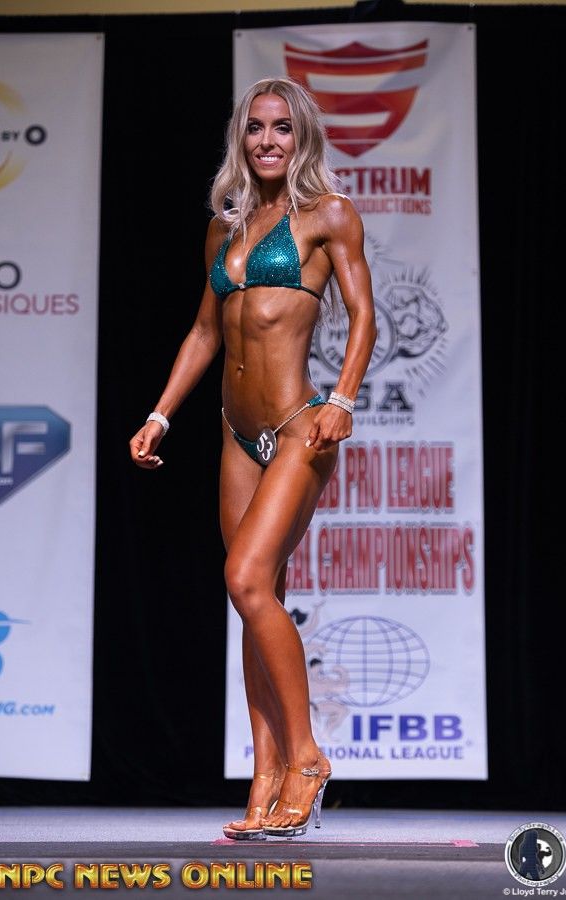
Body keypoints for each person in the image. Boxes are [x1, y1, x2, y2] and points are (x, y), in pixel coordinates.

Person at [129, 76, 376, 840]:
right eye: (256, 128)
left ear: (302, 138)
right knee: (252, 596)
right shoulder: (223, 229)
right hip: (236, 434)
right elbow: (206, 333)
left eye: (283, 128)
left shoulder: (330, 215)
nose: (268, 141)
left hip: (300, 428)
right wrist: (160, 415)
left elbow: (365, 315)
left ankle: (306, 758)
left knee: (245, 578)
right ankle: (265, 777)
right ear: (242, 138)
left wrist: (343, 398)